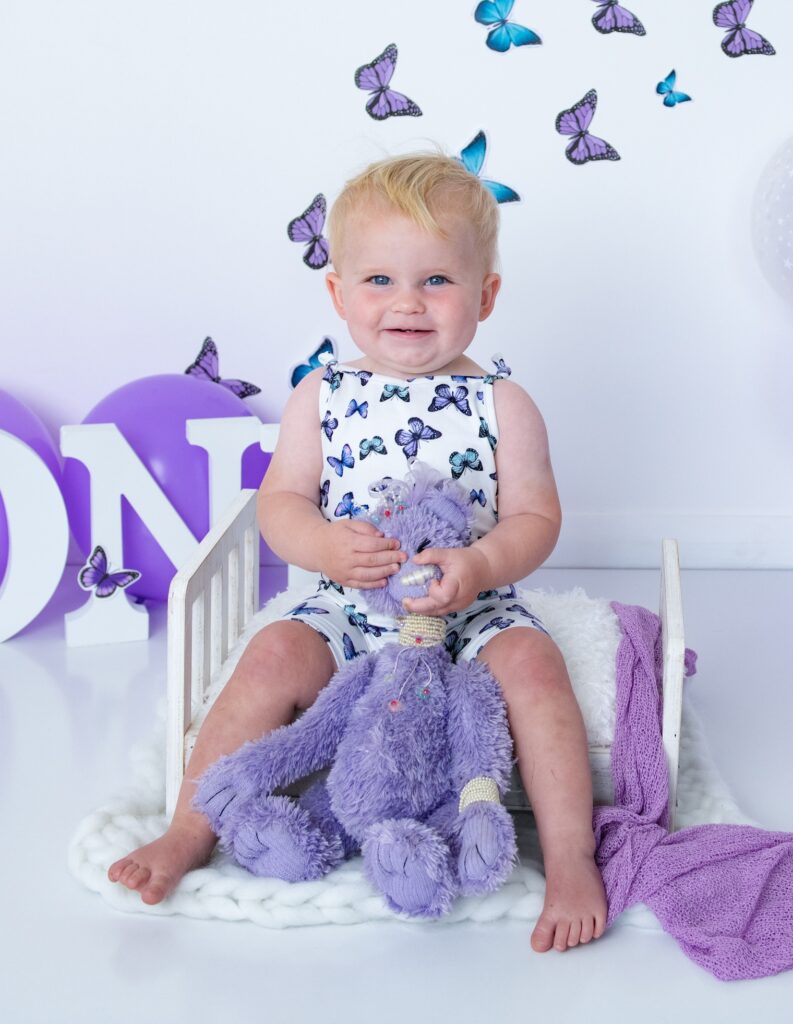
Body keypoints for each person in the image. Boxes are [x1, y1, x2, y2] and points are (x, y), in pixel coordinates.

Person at [108, 153, 607, 952]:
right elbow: (279, 502)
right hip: (348, 604)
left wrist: (480, 565)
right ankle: (188, 828)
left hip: (468, 610)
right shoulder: (323, 396)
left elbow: (536, 518)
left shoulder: (504, 404)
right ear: (338, 294)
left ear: (484, 295)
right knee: (272, 653)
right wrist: (323, 546)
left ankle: (570, 857)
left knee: (536, 669)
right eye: (378, 280)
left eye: (436, 280)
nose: (407, 302)